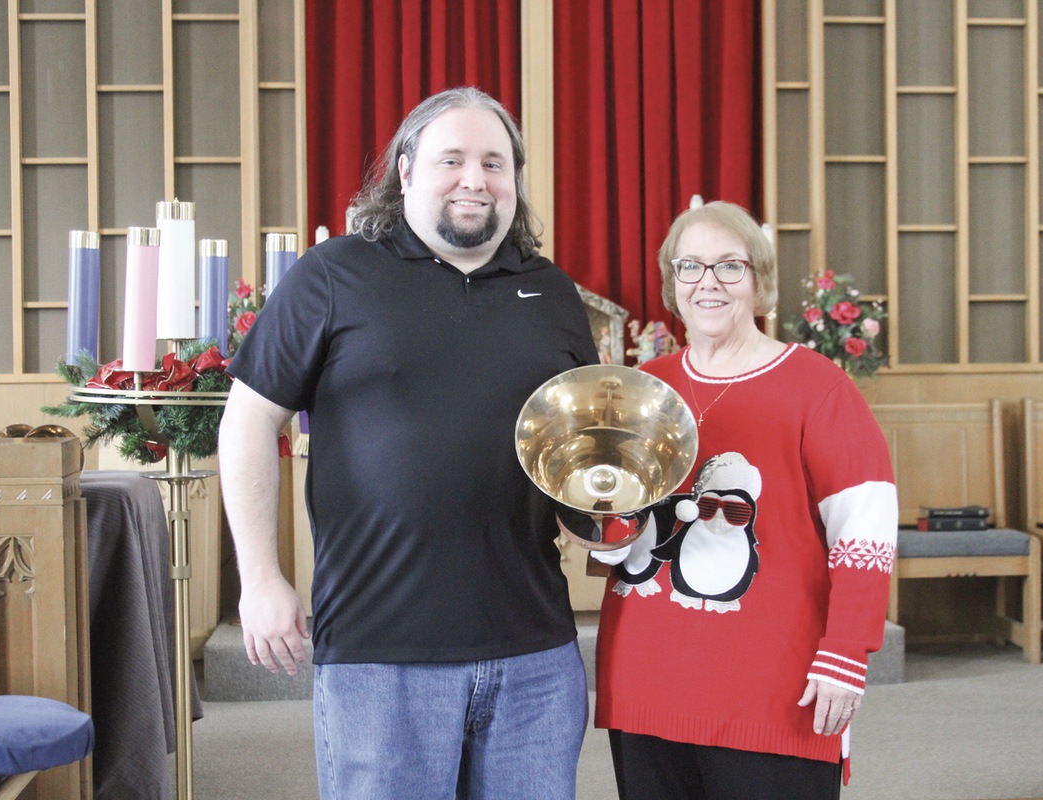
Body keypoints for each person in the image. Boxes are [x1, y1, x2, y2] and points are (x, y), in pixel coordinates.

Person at [218, 87, 599, 799]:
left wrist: (609, 525)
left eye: (494, 162)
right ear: (405, 171)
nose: (474, 179)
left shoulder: (551, 292)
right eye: (451, 159)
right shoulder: (333, 274)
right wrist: (261, 578)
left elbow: (581, 451)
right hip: (380, 649)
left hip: (535, 651)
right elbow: (247, 420)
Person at [585, 201, 898, 799]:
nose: (709, 282)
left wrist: (845, 650)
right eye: (690, 267)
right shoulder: (644, 386)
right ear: (671, 284)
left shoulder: (817, 387)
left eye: (729, 266)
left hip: (772, 689)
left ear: (759, 281)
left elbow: (866, 529)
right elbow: (622, 539)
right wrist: (593, 524)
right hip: (646, 683)